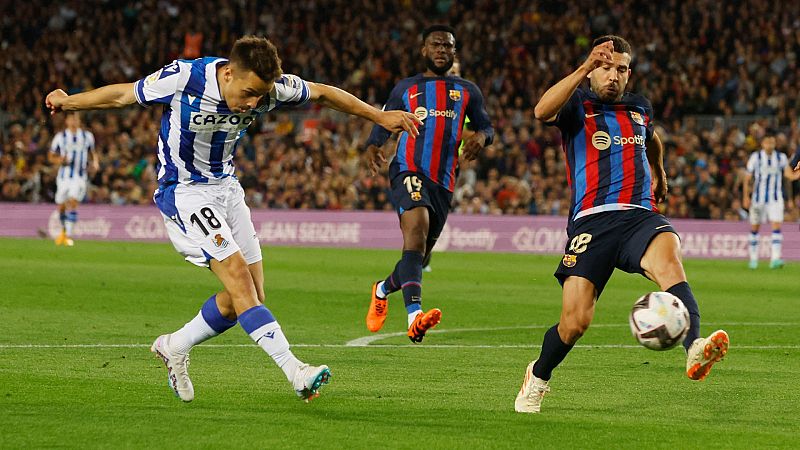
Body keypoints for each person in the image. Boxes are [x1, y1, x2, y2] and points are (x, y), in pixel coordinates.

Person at [46, 35, 421, 403]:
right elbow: (123, 94)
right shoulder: (186, 78)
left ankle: (175, 345)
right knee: (239, 277)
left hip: (226, 188)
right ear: (228, 74)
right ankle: (296, 372)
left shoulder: (270, 89)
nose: (253, 103)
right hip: (185, 191)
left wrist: (378, 115)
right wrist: (68, 102)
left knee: (248, 296)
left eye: (260, 96)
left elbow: (322, 93)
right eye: (248, 93)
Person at [515, 36, 729, 414]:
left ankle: (695, 346)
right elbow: (540, 112)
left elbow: (652, 139)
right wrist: (583, 67)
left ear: (629, 73)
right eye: (605, 67)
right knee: (575, 322)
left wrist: (659, 172)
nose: (613, 76)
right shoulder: (577, 104)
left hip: (638, 215)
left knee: (670, 264)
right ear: (593, 70)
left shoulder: (639, 108)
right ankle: (539, 375)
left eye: (621, 69)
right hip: (592, 221)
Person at [363, 25, 494, 343]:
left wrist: (480, 137)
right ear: (423, 50)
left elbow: (486, 126)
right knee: (416, 233)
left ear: (454, 52)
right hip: (408, 169)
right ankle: (414, 317)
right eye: (435, 44)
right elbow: (384, 120)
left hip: (444, 182)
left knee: (418, 256)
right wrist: (374, 144)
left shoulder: (467, 91)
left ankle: (381, 289)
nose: (441, 50)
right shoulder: (406, 87)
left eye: (447, 46)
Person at [742, 133, 793, 269]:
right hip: (758, 199)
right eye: (767, 143)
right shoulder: (756, 157)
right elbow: (747, 179)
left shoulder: (781, 158)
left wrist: (790, 199)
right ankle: (753, 259)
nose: (769, 145)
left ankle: (775, 259)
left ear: (775, 143)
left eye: (772, 142)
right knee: (755, 227)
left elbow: (787, 178)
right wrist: (746, 197)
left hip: (775, 198)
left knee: (776, 226)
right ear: (762, 144)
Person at [48, 111, 99, 246]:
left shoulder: (87, 136)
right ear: (67, 121)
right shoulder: (61, 137)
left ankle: (68, 235)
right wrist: (60, 159)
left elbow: (93, 152)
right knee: (61, 205)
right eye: (71, 119)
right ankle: (64, 232)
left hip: (79, 175)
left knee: (73, 200)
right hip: (63, 176)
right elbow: (51, 156)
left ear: (79, 121)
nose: (74, 121)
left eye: (76, 119)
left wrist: (95, 163)